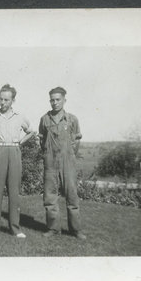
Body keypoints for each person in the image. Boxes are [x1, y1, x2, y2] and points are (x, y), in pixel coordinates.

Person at [0, 84, 34, 238]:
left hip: (14, 151)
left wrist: (20, 142)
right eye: (1, 99)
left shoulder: (20, 116)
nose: (2, 102)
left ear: (13, 100)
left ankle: (15, 228)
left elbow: (30, 131)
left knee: (14, 191)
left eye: (6, 100)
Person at [38, 87, 86, 239]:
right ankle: (53, 228)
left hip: (68, 162)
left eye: (58, 99)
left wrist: (70, 155)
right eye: (52, 100)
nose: (55, 103)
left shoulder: (72, 119)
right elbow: (41, 139)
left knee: (72, 195)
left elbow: (77, 140)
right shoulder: (44, 119)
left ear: (64, 100)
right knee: (50, 196)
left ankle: (76, 230)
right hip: (50, 161)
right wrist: (48, 154)